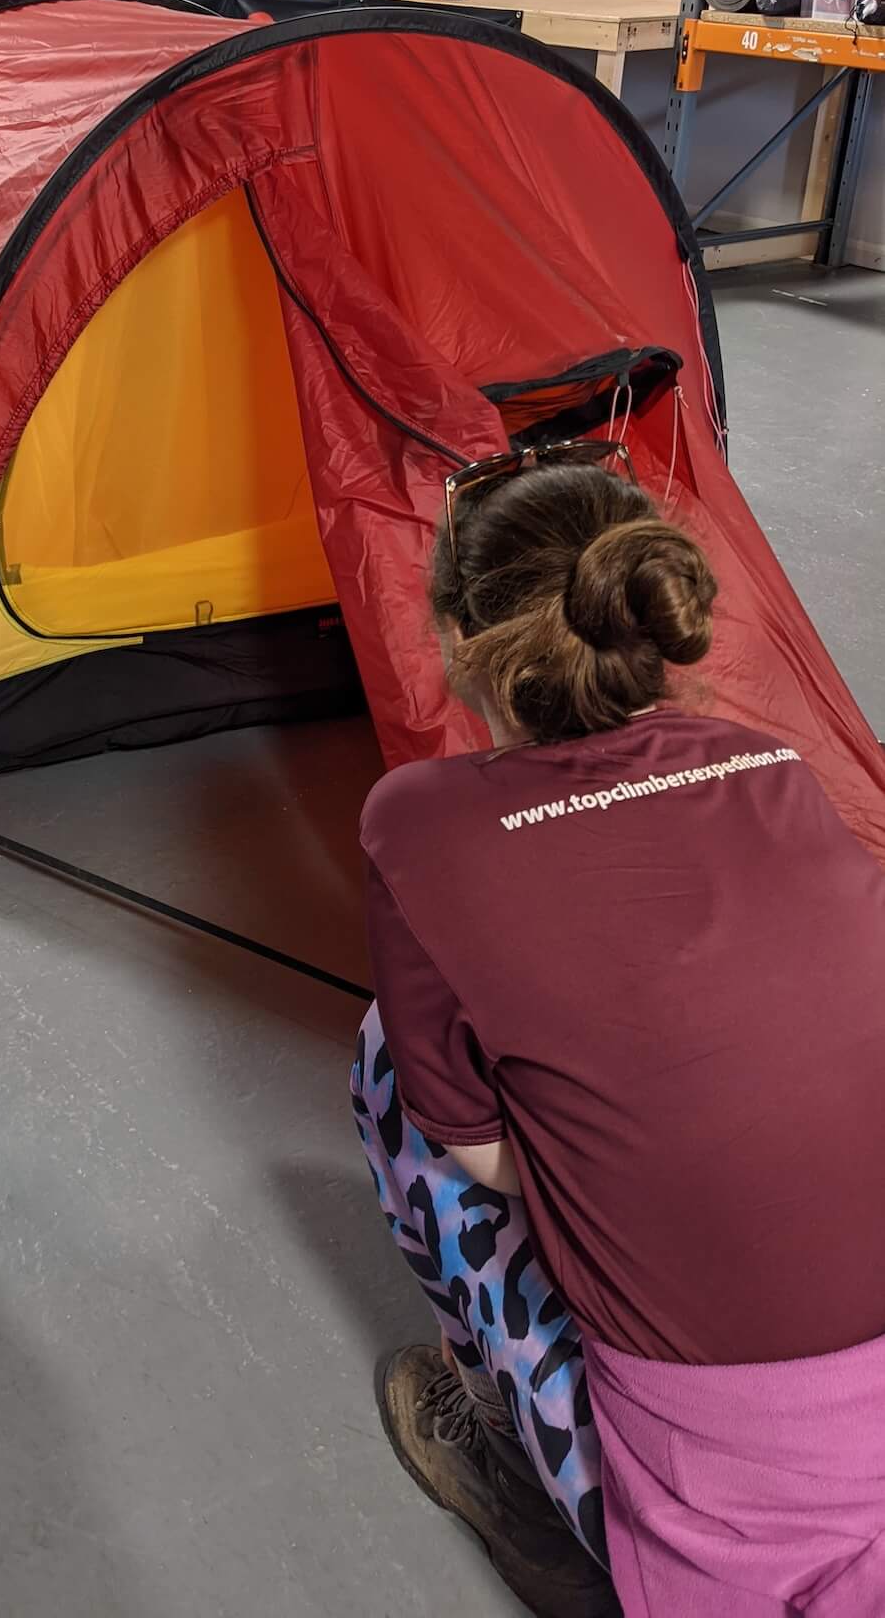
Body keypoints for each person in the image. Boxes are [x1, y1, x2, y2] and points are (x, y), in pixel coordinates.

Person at [352, 444, 885, 1617]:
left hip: (737, 1473)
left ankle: (503, 1448)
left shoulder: (416, 822)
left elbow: (484, 1156)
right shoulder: (770, 762)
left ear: (458, 641)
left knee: (391, 1060)